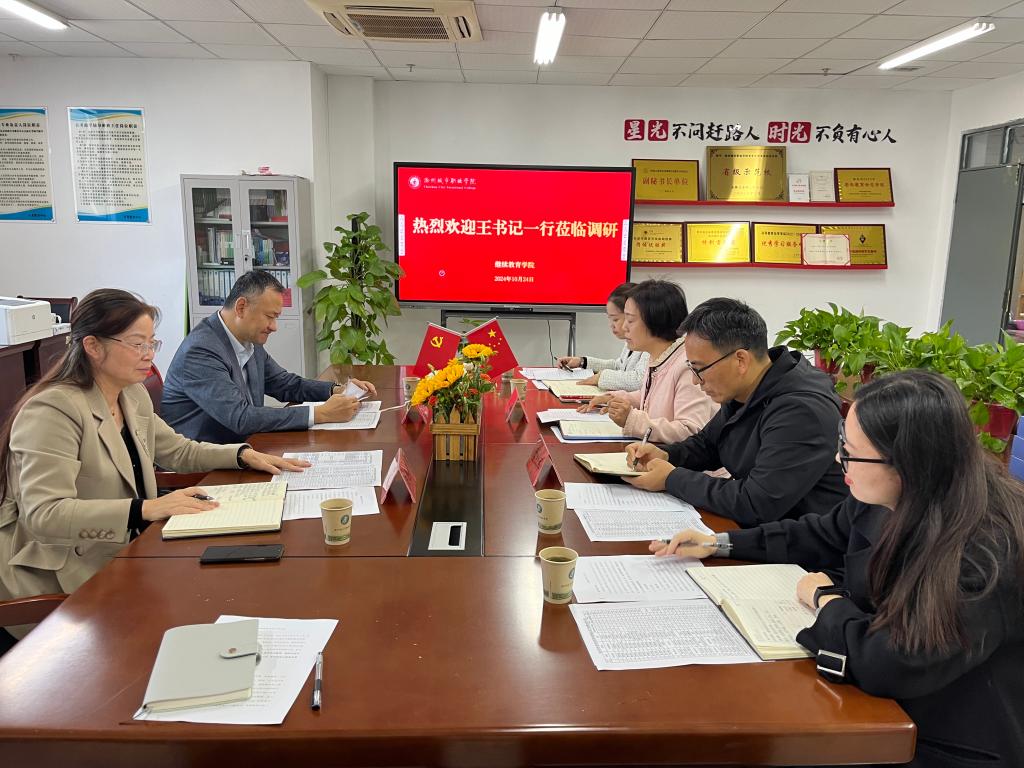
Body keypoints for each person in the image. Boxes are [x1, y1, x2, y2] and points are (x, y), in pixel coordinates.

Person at [651, 370, 1024, 767]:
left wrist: (826, 601)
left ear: (906, 463)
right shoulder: (893, 493)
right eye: (842, 442)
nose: (837, 459)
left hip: (939, 735)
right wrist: (720, 543)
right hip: (879, 702)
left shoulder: (987, 549)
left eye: (850, 452)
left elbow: (895, 661)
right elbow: (819, 533)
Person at [0, 289, 306, 645]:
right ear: (93, 346)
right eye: (137, 344)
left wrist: (241, 455)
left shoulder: (130, 393)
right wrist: (146, 509)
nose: (149, 354)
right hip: (62, 577)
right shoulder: (53, 410)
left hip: (131, 554)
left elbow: (176, 450)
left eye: (151, 343)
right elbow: (45, 514)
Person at [627, 297, 846, 526]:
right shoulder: (748, 386)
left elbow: (756, 502)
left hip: (799, 538)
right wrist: (667, 455)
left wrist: (672, 478)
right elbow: (708, 445)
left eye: (699, 369)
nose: (695, 380)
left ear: (740, 360)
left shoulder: (801, 411)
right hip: (761, 530)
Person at [162, 270, 377, 443]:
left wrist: (335, 390)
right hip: (204, 467)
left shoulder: (247, 340)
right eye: (269, 316)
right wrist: (321, 414)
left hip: (244, 447)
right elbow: (240, 417)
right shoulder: (200, 351)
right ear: (241, 307)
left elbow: (284, 384)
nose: (274, 327)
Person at [581, 280, 716, 443]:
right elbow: (649, 398)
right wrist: (616, 399)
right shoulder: (658, 357)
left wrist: (631, 420)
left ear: (655, 321)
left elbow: (690, 431)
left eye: (630, 320)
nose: (624, 327)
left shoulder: (687, 366)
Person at [558, 283, 648, 391]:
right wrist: (582, 362)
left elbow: (639, 380)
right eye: (610, 319)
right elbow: (618, 367)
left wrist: (601, 378)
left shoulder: (649, 346)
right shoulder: (631, 341)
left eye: (615, 319)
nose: (611, 325)